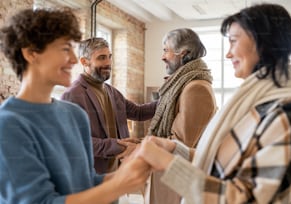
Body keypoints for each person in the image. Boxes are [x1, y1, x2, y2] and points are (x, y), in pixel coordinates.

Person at [132, 3, 291, 204]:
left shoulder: (289, 114)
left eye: (233, 41)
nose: (228, 54)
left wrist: (168, 163)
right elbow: (227, 162)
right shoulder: (259, 103)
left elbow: (245, 199)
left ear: (262, 42)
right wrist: (174, 149)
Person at [0, 8, 150, 204]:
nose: (73, 59)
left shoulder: (75, 115)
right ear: (31, 53)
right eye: (64, 49)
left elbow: (86, 182)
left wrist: (132, 171)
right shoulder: (9, 126)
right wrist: (119, 185)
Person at [140, 28, 217, 204]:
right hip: (166, 177)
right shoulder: (181, 84)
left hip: (176, 183)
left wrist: (141, 146)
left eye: (166, 50)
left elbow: (181, 145)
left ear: (183, 53)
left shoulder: (195, 88)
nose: (162, 56)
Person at [61, 37, 157, 174]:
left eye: (109, 57)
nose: (108, 63)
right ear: (84, 61)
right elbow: (75, 141)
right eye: (101, 58)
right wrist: (117, 146)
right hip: (91, 175)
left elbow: (138, 112)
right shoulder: (72, 95)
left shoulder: (111, 92)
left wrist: (171, 97)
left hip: (116, 172)